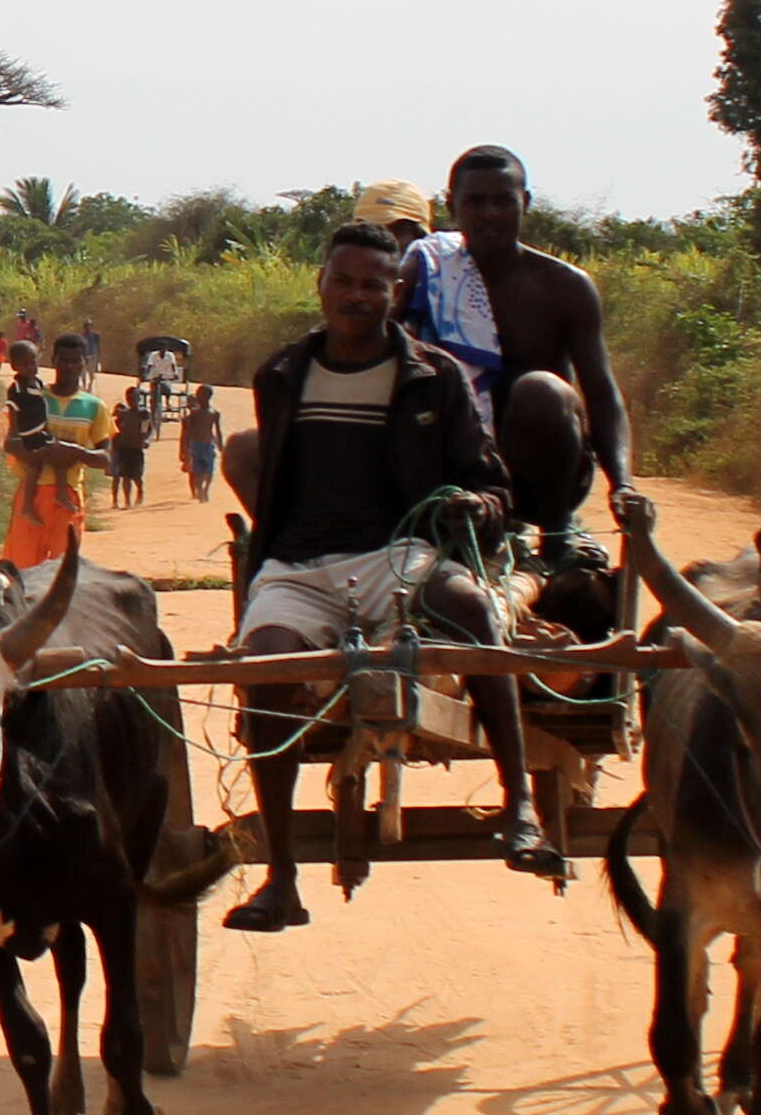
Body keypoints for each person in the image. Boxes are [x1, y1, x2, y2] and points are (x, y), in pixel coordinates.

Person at [223, 220, 554, 933]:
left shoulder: (433, 377)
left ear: (394, 292)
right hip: (299, 568)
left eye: (373, 283)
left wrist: (479, 503)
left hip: (398, 559)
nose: (356, 295)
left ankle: (519, 806)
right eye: (343, 280)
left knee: (471, 610)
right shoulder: (280, 376)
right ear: (320, 285)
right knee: (264, 669)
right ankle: (280, 878)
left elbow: (491, 485)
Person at [396, 145, 653, 573]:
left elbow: (602, 393)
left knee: (544, 391)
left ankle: (556, 539)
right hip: (446, 468)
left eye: (503, 200)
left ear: (526, 203)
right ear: (450, 205)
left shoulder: (565, 287)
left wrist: (622, 484)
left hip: (540, 477)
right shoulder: (427, 272)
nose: (490, 213)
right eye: (475, 201)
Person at [0, 336, 108, 568]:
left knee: (61, 572)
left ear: (84, 362)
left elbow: (106, 460)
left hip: (67, 497)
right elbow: (10, 442)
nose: (69, 366)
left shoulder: (94, 407)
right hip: (33, 494)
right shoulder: (33, 396)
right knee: (22, 571)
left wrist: (73, 451)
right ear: (52, 360)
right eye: (63, 360)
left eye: (75, 361)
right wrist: (43, 453)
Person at [107, 383, 154, 508]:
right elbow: (115, 428)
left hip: (136, 448)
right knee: (125, 476)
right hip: (124, 448)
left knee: (137, 476)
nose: (131, 400)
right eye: (129, 398)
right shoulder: (124, 415)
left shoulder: (143, 414)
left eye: (134, 398)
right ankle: (127, 501)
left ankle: (140, 491)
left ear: (139, 399)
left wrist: (145, 440)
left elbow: (147, 429)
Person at [177, 383, 223, 503]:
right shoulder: (194, 413)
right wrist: (185, 448)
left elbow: (217, 431)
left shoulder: (214, 413)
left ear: (208, 397)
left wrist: (221, 446)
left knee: (209, 471)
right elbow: (188, 431)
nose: (199, 398)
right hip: (196, 445)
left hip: (208, 445)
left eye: (202, 395)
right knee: (197, 471)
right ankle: (200, 490)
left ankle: (206, 489)